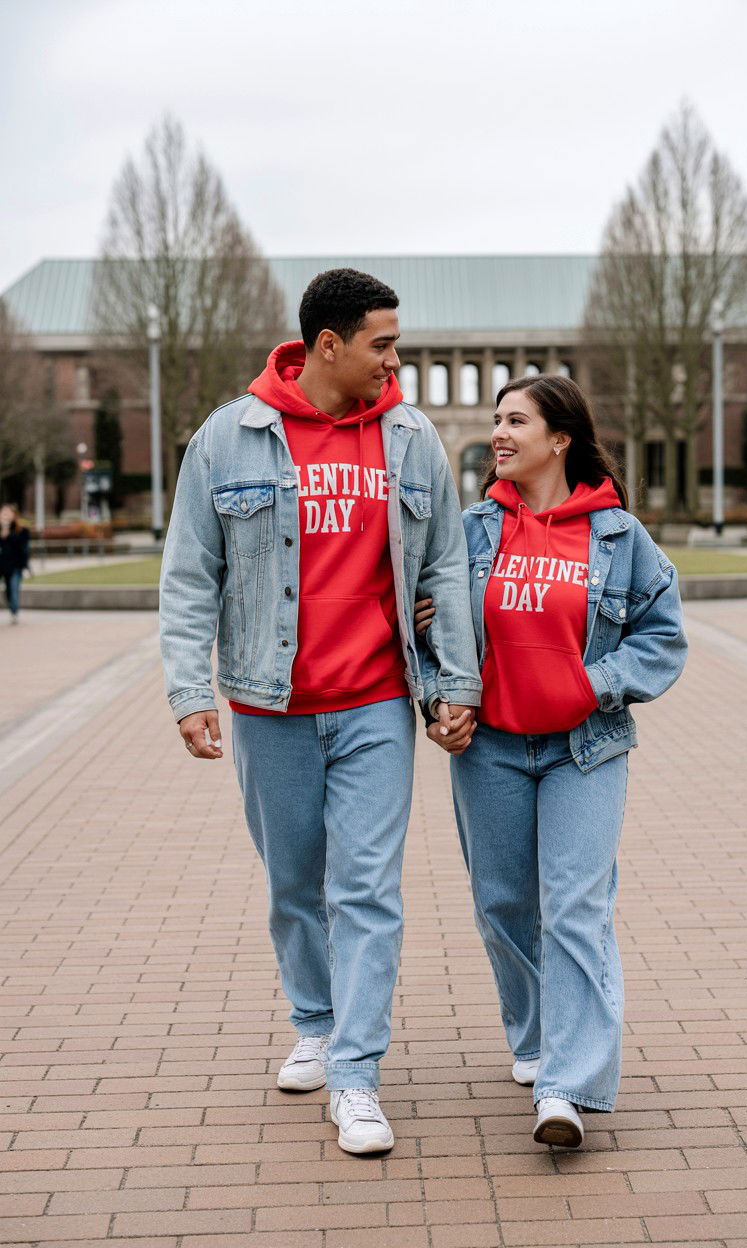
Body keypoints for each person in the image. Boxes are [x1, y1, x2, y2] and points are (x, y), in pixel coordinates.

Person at [159, 268, 481, 1154]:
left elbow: (446, 566)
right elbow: (189, 575)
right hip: (271, 705)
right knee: (294, 883)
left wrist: (456, 681)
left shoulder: (411, 437)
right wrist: (189, 691)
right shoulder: (229, 437)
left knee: (366, 888)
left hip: (376, 702)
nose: (395, 361)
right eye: (383, 344)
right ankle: (315, 1019)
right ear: (327, 346)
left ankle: (357, 1075)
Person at [416, 373, 686, 1149]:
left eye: (516, 422)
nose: (499, 434)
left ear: (560, 439)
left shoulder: (618, 537)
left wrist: (591, 685)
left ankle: (569, 1086)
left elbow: (663, 636)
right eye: (497, 420)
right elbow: (421, 634)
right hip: (490, 749)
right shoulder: (469, 532)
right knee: (503, 905)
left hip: (584, 749)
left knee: (574, 908)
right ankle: (537, 1037)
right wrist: (439, 697)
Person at [0, 504, 30, 624]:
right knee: (8, 591)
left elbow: (23, 548)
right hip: (2, 566)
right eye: (3, 513)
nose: (5, 516)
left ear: (14, 515)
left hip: (15, 566)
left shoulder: (21, 530)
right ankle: (12, 608)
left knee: (14, 589)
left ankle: (14, 612)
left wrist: (7, 532)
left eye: (8, 513)